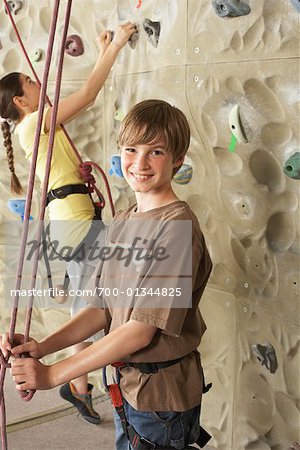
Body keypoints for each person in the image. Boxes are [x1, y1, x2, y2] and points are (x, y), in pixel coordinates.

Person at [1, 99, 213, 449]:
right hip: (126, 385)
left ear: (178, 158)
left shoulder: (176, 228)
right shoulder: (126, 219)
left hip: (159, 399)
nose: (140, 163)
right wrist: (43, 347)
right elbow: (102, 308)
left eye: (156, 151)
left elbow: (139, 332)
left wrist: (54, 374)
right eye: (131, 149)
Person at [0, 22, 136, 425]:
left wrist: (102, 46)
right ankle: (82, 384)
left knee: (91, 301)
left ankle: (79, 387)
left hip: (75, 215)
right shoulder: (33, 123)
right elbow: (90, 94)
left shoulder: (39, 126)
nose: (37, 80)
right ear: (21, 102)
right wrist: (118, 46)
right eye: (29, 81)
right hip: (73, 220)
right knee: (96, 303)